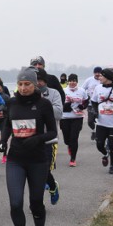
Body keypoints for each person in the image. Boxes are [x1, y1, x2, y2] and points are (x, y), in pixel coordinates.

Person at [0, 67, 57, 226]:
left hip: (38, 160)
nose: (23, 88)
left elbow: (53, 132)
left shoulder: (44, 104)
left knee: (35, 202)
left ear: (35, 84)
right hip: (16, 159)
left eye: (27, 84)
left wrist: (38, 139)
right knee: (15, 203)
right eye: (20, 84)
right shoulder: (12, 102)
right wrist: (2, 141)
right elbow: (8, 124)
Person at [36, 68, 62, 205]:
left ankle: (52, 186)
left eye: (39, 80)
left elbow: (58, 113)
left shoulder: (54, 93)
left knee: (44, 171)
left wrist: (42, 104)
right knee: (35, 173)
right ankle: (36, 202)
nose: (37, 84)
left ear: (45, 81)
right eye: (34, 81)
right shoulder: (27, 94)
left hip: (49, 139)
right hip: (32, 140)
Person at [60, 74, 89, 167]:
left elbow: (86, 101)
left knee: (74, 138)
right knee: (67, 139)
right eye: (71, 80)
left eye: (74, 81)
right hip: (65, 117)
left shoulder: (82, 91)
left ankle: (73, 159)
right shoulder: (63, 91)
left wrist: (82, 106)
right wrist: (66, 106)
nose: (72, 82)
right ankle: (69, 146)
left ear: (77, 81)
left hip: (77, 117)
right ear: (68, 81)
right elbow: (59, 104)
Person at [81, 66, 103, 141]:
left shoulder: (103, 80)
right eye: (96, 72)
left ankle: (98, 133)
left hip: (101, 104)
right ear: (93, 73)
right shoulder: (89, 80)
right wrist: (85, 97)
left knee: (100, 120)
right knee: (90, 121)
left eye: (99, 73)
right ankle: (94, 130)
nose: (97, 74)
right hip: (91, 104)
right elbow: (82, 89)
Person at [0, 79, 11, 147]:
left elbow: (9, 108)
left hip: (4, 119)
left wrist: (2, 111)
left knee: (4, 138)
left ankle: (4, 155)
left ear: (2, 88)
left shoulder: (6, 97)